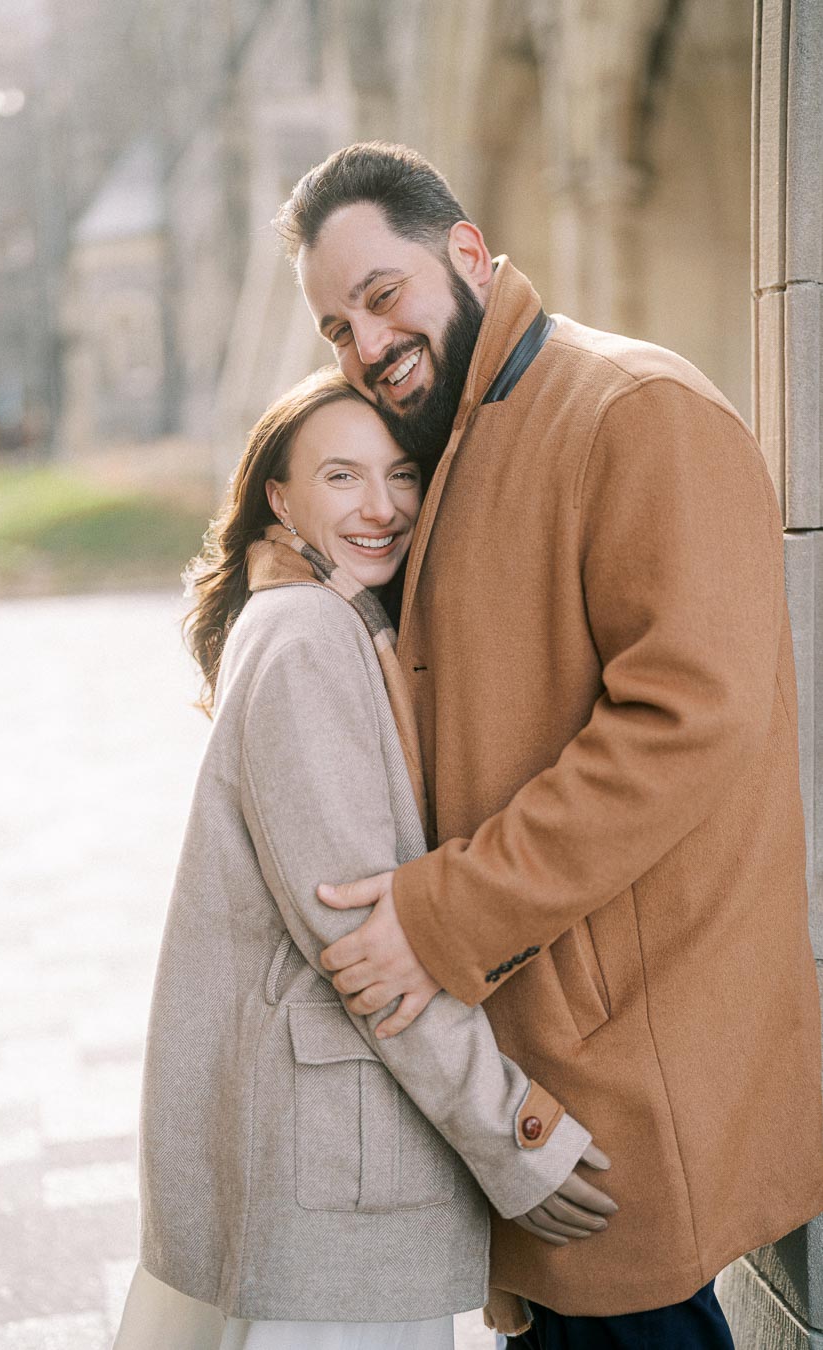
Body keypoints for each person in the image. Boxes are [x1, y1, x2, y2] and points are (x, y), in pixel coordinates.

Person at [273, 142, 823, 1348]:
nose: (365, 344)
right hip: (535, 1069)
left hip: (619, 1064)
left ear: (467, 253)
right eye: (335, 328)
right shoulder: (466, 438)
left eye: (381, 295)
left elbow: (685, 722)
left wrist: (442, 917)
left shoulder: (631, 410)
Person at [113, 367, 615, 1350]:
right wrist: (518, 1138)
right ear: (279, 496)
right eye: (341, 477)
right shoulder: (306, 640)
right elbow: (363, 943)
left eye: (401, 474)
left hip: (330, 1167)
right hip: (335, 1174)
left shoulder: (335, 622)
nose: (380, 506)